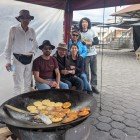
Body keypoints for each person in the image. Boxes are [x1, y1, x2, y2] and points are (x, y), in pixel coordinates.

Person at [4, 9, 38, 96]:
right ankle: (17, 104)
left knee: (27, 84)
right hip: (17, 59)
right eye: (24, 18)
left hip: (29, 59)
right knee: (17, 84)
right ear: (20, 19)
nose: (26, 20)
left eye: (28, 18)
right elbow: (8, 47)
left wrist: (32, 52)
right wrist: (8, 62)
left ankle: (25, 102)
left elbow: (35, 45)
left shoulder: (32, 31)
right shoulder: (14, 29)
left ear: (30, 20)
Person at [79, 17, 99, 94]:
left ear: (88, 23)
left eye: (86, 22)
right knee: (86, 72)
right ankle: (87, 87)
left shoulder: (92, 31)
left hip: (93, 54)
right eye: (83, 22)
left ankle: (93, 86)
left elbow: (97, 42)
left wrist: (86, 43)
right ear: (81, 24)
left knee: (94, 71)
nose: (84, 23)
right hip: (85, 55)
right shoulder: (79, 33)